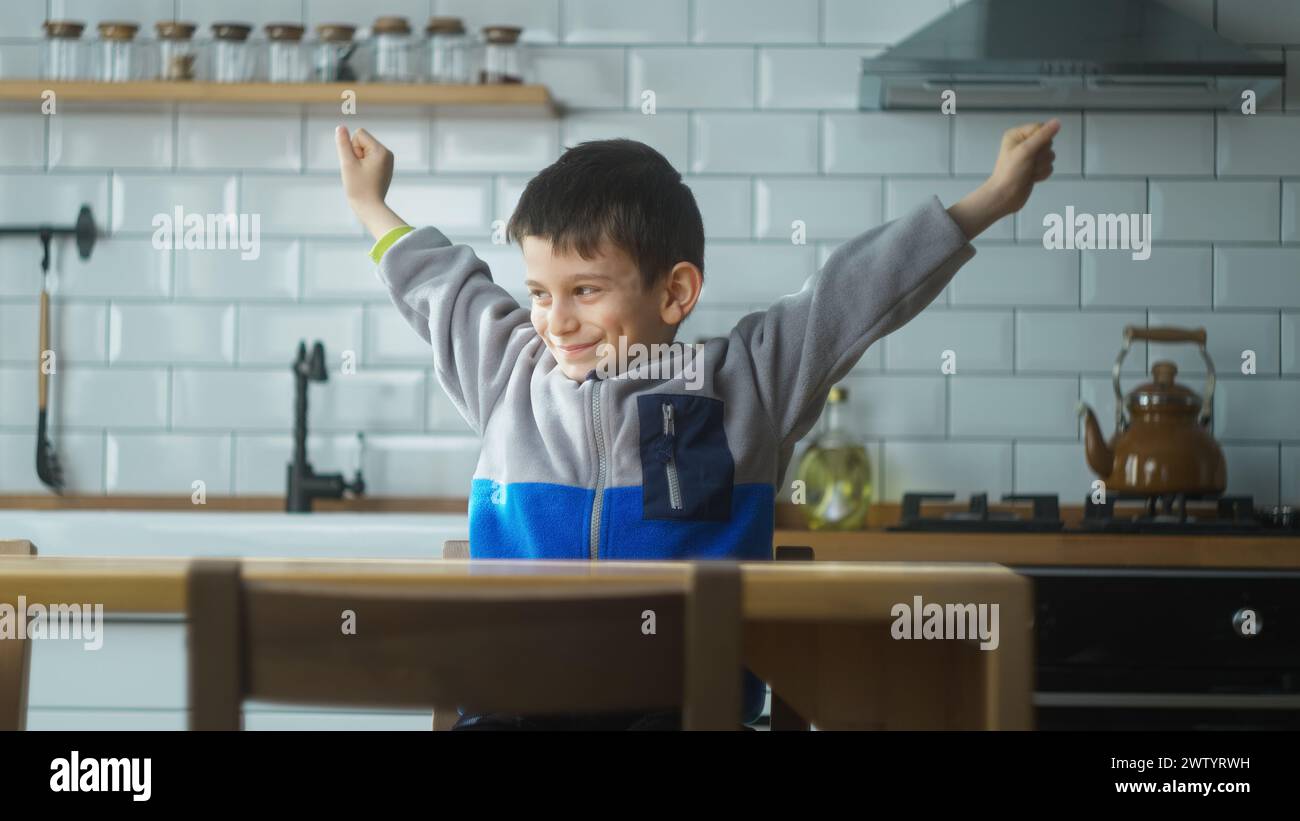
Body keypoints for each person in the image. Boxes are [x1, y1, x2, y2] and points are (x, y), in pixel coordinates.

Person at [335, 118, 1060, 730]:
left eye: (585, 290)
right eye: (540, 292)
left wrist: (990, 200)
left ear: (676, 291)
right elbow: (443, 286)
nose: (556, 320)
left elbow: (854, 290)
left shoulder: (746, 382)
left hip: (684, 710)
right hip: (517, 708)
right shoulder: (509, 375)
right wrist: (373, 206)